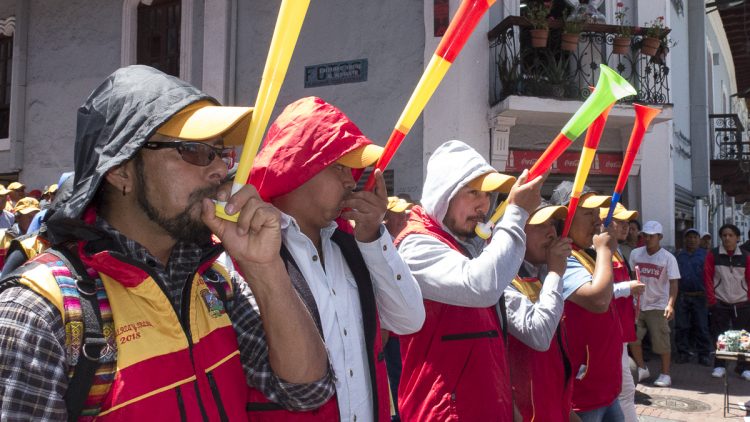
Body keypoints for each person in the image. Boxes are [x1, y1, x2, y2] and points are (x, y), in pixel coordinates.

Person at [0, 65, 334, 420]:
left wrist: (264, 268)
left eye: (220, 152)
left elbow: (306, 390)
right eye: (193, 150)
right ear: (120, 170)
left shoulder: (216, 282)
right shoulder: (40, 312)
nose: (220, 169)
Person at [248, 96, 425, 421]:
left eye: (353, 170)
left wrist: (374, 236)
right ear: (298, 167)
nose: (351, 180)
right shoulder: (249, 252)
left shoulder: (353, 244)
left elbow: (409, 319)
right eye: (339, 168)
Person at [396, 139, 544, 421]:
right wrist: (516, 213)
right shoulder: (416, 245)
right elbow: (480, 286)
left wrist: (505, 402)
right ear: (444, 194)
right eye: (472, 192)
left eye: (487, 194)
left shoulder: (463, 244)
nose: (484, 204)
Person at [550, 181, 623, 422]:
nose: (597, 220)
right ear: (566, 220)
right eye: (588, 213)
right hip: (582, 395)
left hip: (606, 390)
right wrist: (605, 251)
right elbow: (599, 301)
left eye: (596, 213)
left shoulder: (586, 253)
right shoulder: (564, 257)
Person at [504, 203, 576, 421]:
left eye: (552, 224)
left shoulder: (543, 273)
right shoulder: (502, 280)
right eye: (540, 225)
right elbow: (539, 335)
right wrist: (555, 272)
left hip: (555, 407)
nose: (551, 233)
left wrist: (567, 410)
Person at [600, 203, 644, 422]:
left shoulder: (616, 251)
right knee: (620, 387)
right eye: (620, 221)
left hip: (620, 331)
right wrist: (628, 288)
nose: (626, 226)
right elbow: (597, 291)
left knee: (625, 388)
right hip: (608, 332)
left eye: (627, 222)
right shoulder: (600, 253)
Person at [628, 220, 680, 388]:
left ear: (660, 237)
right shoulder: (635, 254)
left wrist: (670, 304)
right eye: (646, 235)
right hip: (637, 304)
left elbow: (673, 283)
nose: (648, 239)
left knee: (661, 341)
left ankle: (666, 374)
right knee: (633, 338)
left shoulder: (668, 258)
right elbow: (630, 276)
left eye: (652, 236)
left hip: (658, 305)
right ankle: (642, 368)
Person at [704, 223, 750, 380]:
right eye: (724, 235)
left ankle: (742, 367)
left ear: (737, 238)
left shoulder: (745, 256)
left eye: (731, 235)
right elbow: (708, 278)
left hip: (741, 302)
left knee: (742, 336)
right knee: (720, 335)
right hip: (720, 301)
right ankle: (719, 365)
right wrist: (712, 300)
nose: (727, 238)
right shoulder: (713, 255)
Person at [674, 228, 712, 366]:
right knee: (681, 326)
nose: (692, 240)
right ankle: (683, 353)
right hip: (682, 295)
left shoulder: (706, 255)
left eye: (695, 237)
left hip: (700, 296)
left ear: (699, 240)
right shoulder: (678, 255)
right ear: (685, 239)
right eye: (689, 237)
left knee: (702, 326)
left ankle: (704, 354)